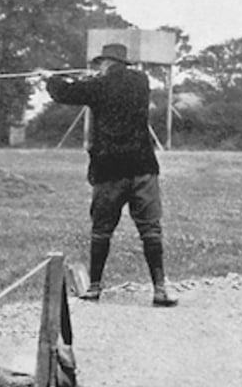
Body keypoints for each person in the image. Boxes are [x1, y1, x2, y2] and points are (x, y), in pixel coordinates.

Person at [43, 43, 177, 307]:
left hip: (110, 169)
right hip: (143, 166)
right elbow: (100, 86)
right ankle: (160, 289)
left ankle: (94, 288)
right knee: (150, 230)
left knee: (101, 231)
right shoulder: (140, 81)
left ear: (105, 62)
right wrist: (88, 79)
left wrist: (50, 78)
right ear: (123, 63)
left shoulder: (98, 86)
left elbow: (64, 93)